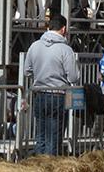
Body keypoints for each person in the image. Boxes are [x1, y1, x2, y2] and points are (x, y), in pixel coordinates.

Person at [23, 13, 80, 156]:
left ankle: (38, 166)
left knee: (40, 135)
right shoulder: (65, 49)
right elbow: (73, 76)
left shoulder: (34, 46)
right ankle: (51, 167)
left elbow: (26, 71)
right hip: (58, 94)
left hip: (39, 93)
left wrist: (39, 75)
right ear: (64, 29)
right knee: (54, 137)